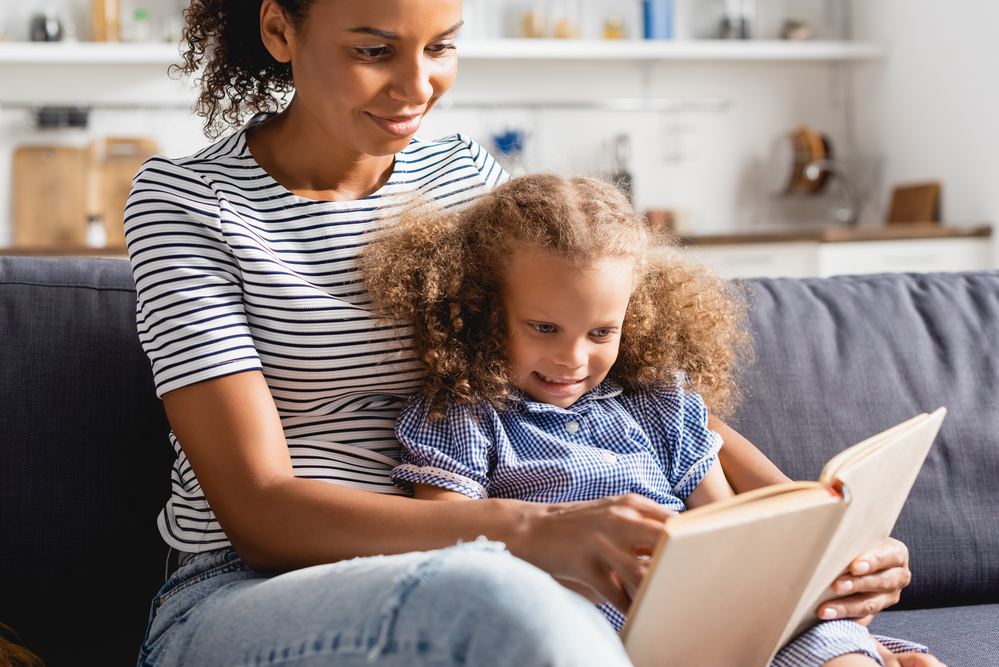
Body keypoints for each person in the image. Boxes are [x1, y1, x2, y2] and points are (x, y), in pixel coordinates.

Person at [124, 1, 935, 665]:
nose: (417, 86)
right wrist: (536, 532)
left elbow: (632, 392)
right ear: (278, 30)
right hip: (249, 590)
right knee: (513, 600)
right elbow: (259, 512)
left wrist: (818, 533)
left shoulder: (462, 178)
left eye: (442, 46)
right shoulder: (187, 204)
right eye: (374, 49)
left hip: (491, 565)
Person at [360, 173, 933, 664]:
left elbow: (729, 526)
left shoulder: (655, 403)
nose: (574, 359)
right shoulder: (464, 416)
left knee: (835, 642)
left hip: (707, 619)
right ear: (483, 311)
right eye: (544, 328)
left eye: (601, 332)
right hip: (582, 630)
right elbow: (451, 552)